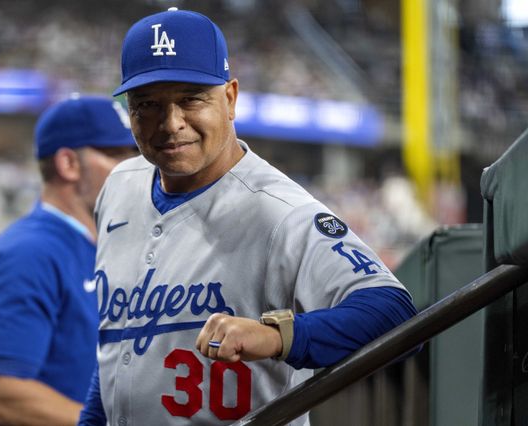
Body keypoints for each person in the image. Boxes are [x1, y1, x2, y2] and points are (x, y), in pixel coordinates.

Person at [79, 8, 418, 426]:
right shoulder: (119, 186)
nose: (170, 123)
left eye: (191, 98)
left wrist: (279, 336)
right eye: (147, 104)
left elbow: (394, 313)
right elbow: (117, 348)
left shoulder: (281, 211)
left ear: (230, 99)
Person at [0, 95, 137, 426]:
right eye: (116, 155)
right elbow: (1, 397)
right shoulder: (27, 254)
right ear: (68, 164)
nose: (133, 168)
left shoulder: (104, 245)